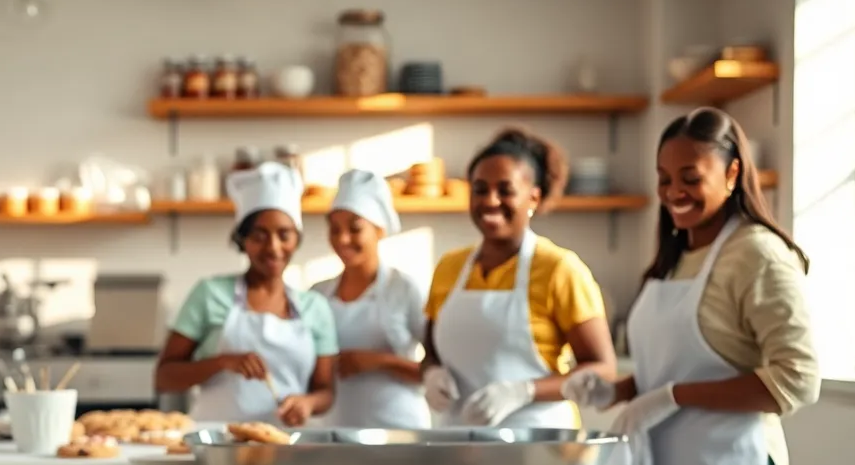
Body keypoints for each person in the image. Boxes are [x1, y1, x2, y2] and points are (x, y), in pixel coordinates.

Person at [563, 107, 818, 465]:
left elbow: (798, 379)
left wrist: (672, 397)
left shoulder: (757, 254)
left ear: (732, 173)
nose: (673, 192)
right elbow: (679, 366)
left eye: (691, 178)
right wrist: (619, 390)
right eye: (664, 179)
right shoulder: (677, 256)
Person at [421, 128, 616, 428]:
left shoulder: (559, 268)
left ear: (534, 198)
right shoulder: (449, 267)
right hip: (457, 442)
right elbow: (431, 350)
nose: (491, 201)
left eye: (505, 190)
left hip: (540, 445)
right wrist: (431, 374)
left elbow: (603, 369)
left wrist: (524, 392)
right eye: (480, 189)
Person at [155, 161, 337, 426]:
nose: (273, 248)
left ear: (296, 239)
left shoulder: (315, 307)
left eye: (284, 235)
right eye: (259, 236)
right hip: (217, 441)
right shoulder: (209, 294)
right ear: (243, 240)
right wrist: (222, 363)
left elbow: (326, 391)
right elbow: (164, 377)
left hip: (288, 444)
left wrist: (307, 403)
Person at [309, 169, 429, 429]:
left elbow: (437, 374)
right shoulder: (317, 295)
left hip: (400, 431)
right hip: (335, 431)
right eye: (335, 229)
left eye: (354, 229)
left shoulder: (404, 288)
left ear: (379, 230)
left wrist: (380, 361)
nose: (342, 239)